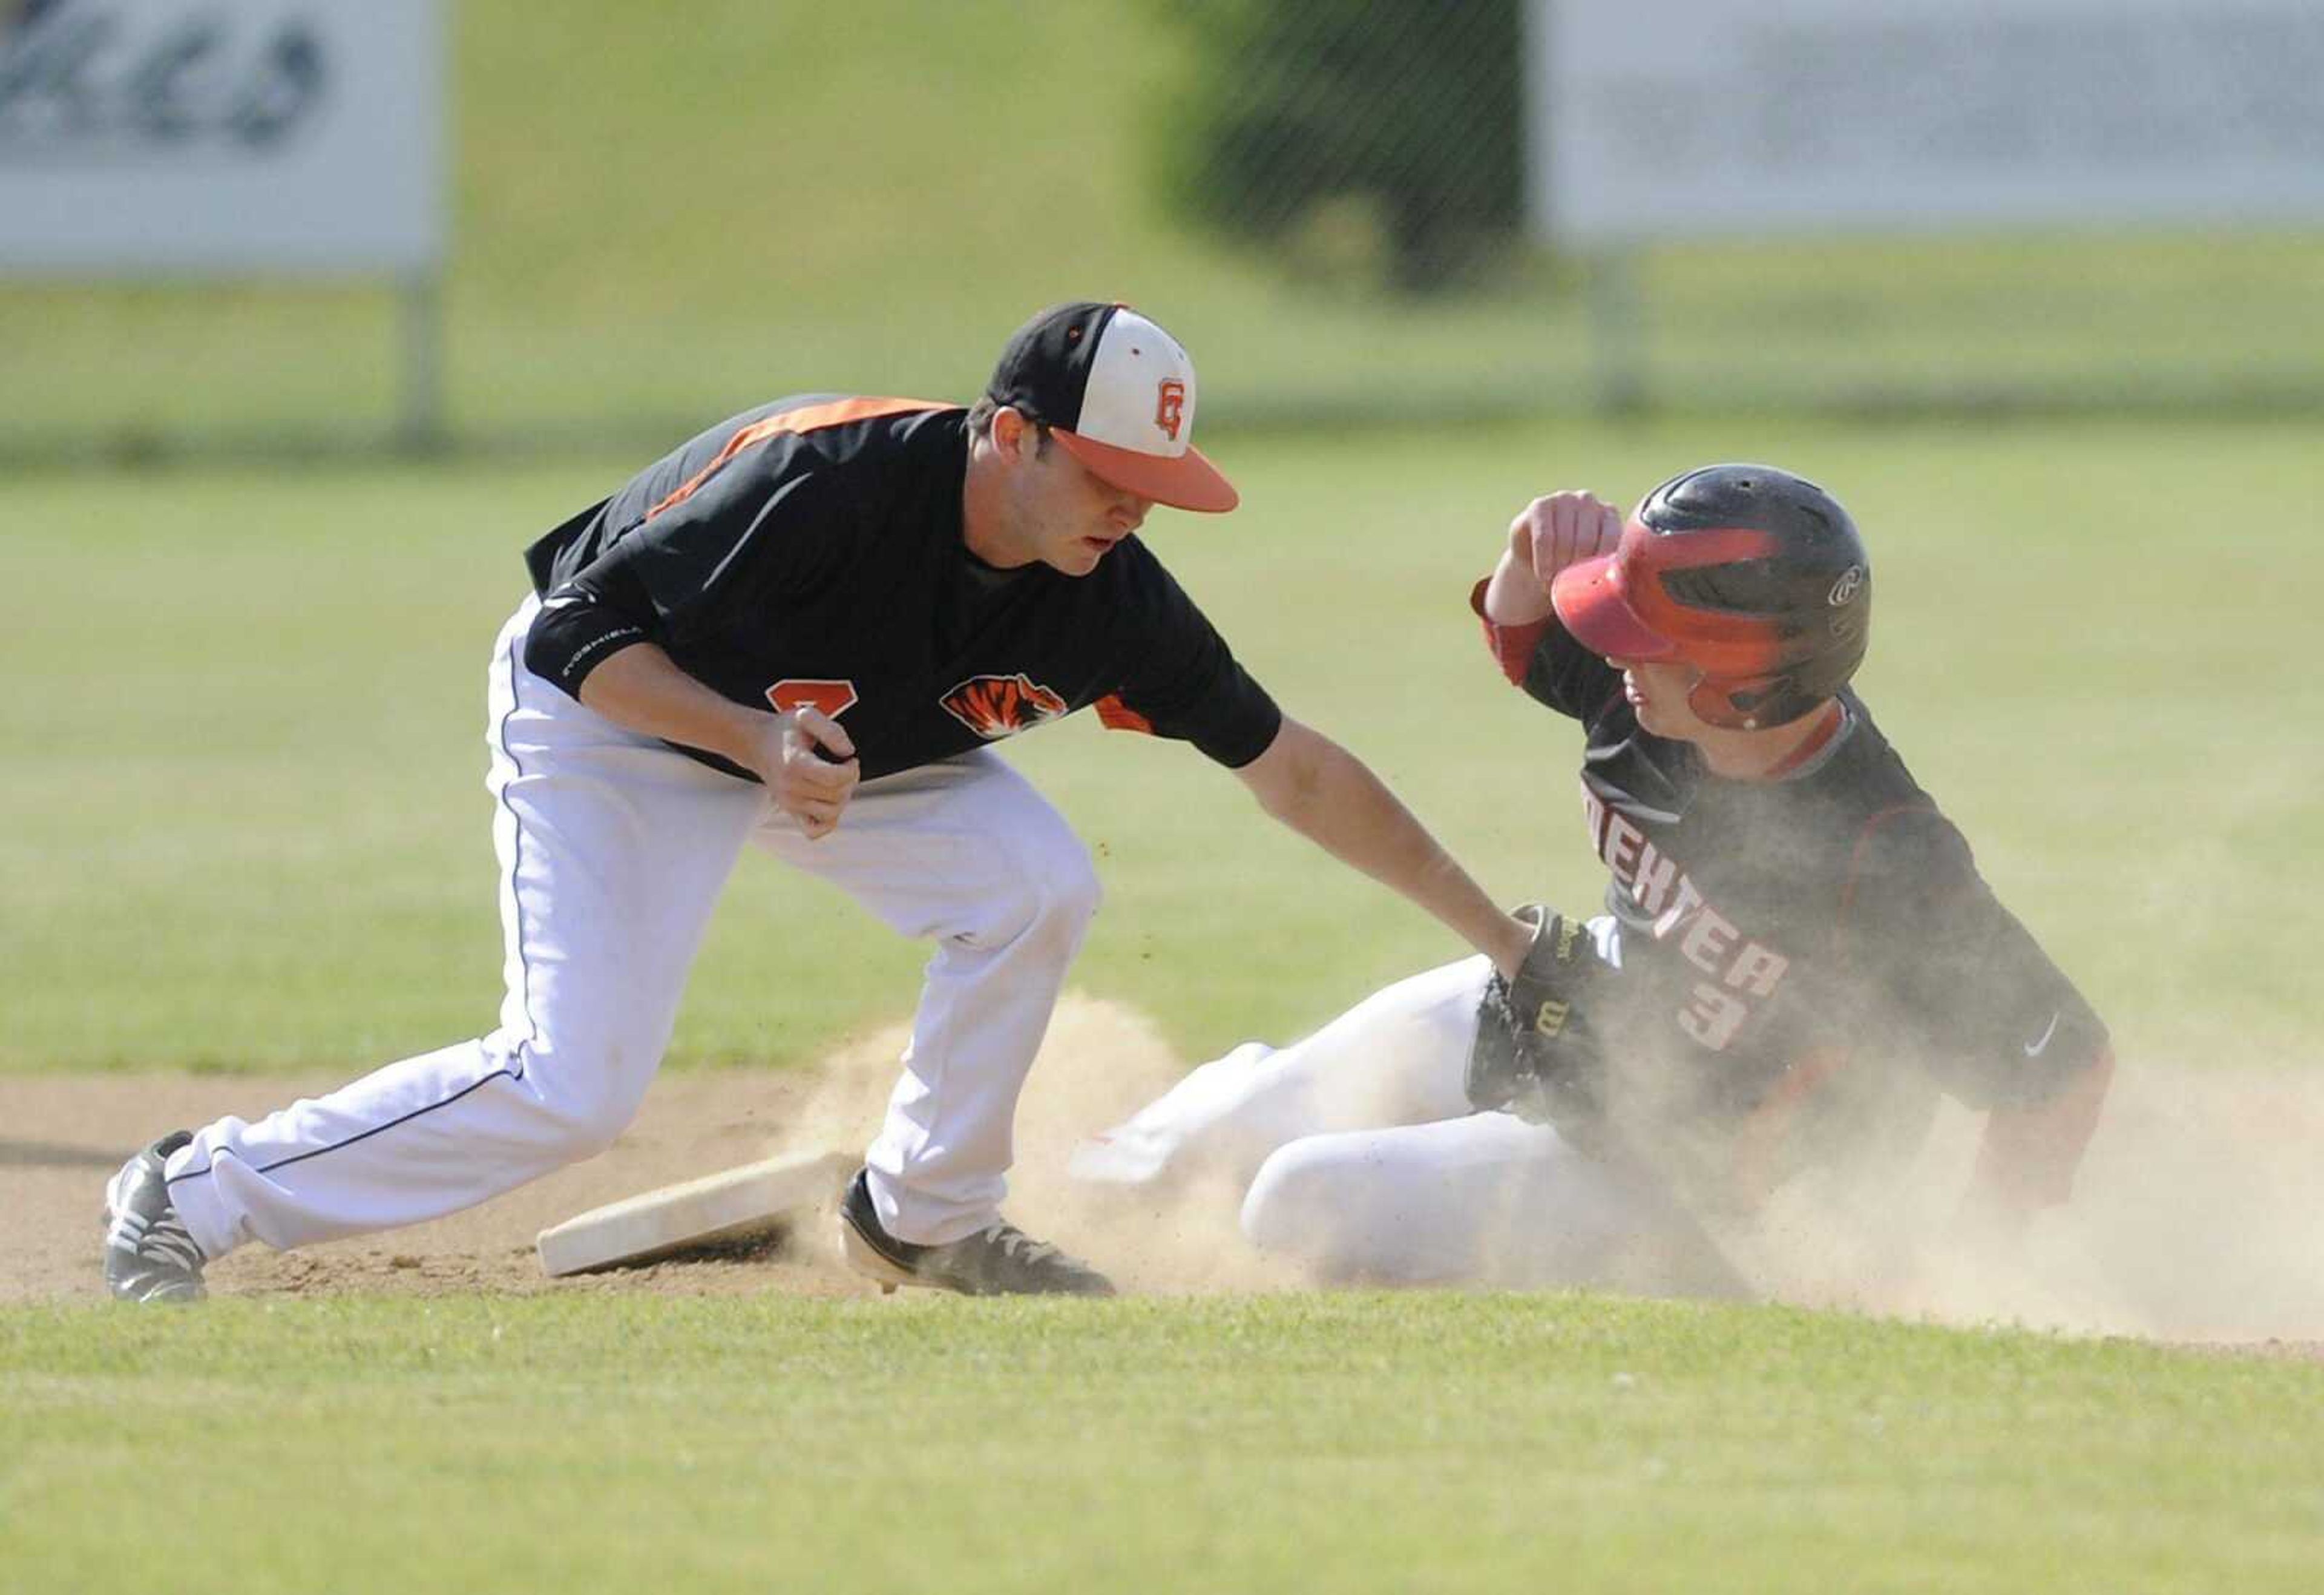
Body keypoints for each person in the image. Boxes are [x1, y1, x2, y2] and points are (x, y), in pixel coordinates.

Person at [103, 301, 1532, 1303]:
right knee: (573, 1080)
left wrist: (1505, 947)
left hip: (833, 748)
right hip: (628, 717)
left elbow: (1295, 769)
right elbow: (571, 637)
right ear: (1013, 434)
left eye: (1157, 486)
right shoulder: (827, 482)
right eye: (1109, 474)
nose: (1133, 511)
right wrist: (746, 739)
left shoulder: (1109, 597)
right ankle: (195, 1193)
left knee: (1034, 883)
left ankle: (926, 1218)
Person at [1072, 465, 2114, 1292]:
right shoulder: (1651, 698)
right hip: (1584, 998)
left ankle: (1651, 1273)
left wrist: (1974, 1272)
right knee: (1211, 1137)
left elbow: (2063, 1064)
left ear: (1750, 686)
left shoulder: (1883, 860)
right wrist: (1531, 550)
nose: (1617, 659)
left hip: (1695, 1181)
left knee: (1297, 1203)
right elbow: (1522, 635)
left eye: (1647, 640)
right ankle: (1047, 1196)